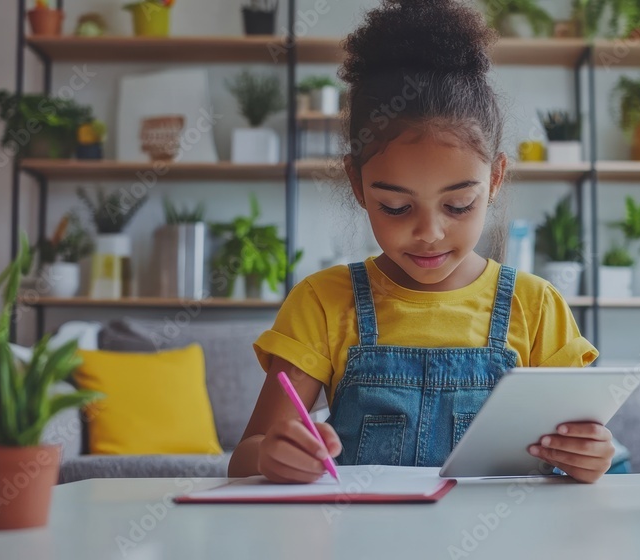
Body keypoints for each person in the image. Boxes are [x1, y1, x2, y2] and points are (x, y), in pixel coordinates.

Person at [228, 0, 616, 484]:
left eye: (457, 206)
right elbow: (246, 456)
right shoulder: (322, 303)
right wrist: (273, 457)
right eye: (395, 207)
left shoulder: (536, 308)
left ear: (495, 179)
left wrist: (590, 456)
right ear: (357, 184)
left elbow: (576, 455)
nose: (430, 233)